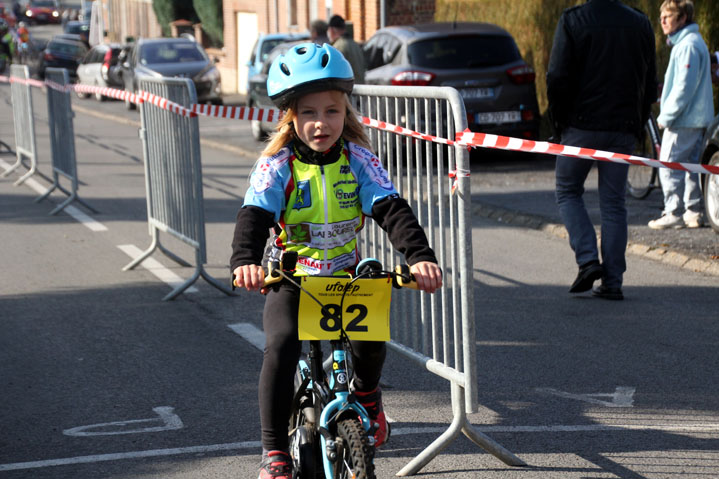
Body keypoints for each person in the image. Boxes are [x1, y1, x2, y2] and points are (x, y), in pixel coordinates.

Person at [230, 42, 442, 479]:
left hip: (344, 272)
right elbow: (253, 215)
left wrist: (420, 257)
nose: (320, 123)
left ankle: (366, 397)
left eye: (332, 111)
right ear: (291, 116)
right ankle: (274, 452)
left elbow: (391, 209)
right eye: (308, 112)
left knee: (369, 336)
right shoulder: (278, 166)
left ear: (346, 112)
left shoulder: (359, 160)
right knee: (282, 343)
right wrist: (245, 261)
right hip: (291, 274)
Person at [547, 0, 657, 301]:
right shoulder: (640, 22)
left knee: (568, 189)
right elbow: (650, 82)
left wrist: (558, 121)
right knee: (614, 203)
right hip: (623, 127)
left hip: (580, 126)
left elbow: (557, 77)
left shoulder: (573, 20)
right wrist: (639, 118)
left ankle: (587, 260)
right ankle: (613, 282)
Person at [648, 0, 714, 230]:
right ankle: (693, 211)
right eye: (661, 16)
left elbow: (684, 88)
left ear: (683, 18)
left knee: (668, 164)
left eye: (668, 15)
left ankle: (673, 211)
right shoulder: (693, 42)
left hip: (683, 119)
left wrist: (665, 116)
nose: (663, 21)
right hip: (697, 119)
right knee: (691, 167)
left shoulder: (686, 46)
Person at [327, 14, 365, 83]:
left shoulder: (337, 47)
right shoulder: (355, 44)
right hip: (360, 89)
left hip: (348, 89)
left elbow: (335, 72)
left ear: (331, 30)